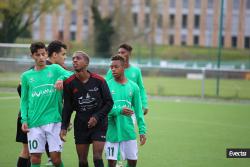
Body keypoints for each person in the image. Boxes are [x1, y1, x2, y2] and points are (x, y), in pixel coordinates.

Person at [16, 40, 69, 167]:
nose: (41, 57)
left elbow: (72, 75)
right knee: (34, 158)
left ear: (47, 54)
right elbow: (23, 100)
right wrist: (24, 120)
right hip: (34, 122)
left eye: (43, 54)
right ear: (32, 56)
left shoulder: (55, 69)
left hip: (54, 121)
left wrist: (61, 78)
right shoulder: (26, 76)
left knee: (55, 159)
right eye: (37, 55)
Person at [60, 51, 114, 167]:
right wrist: (64, 126)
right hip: (81, 124)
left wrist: (96, 116)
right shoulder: (69, 83)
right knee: (82, 161)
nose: (74, 60)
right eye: (73, 58)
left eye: (78, 58)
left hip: (99, 124)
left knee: (97, 157)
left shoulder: (99, 81)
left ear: (86, 63)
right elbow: (68, 107)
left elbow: (109, 102)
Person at [105, 55, 147, 167]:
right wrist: (119, 110)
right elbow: (103, 109)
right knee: (112, 163)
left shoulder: (134, 87)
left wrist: (142, 130)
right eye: (111, 67)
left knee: (132, 162)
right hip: (111, 131)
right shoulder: (106, 86)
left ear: (123, 67)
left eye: (116, 67)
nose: (112, 69)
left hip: (128, 130)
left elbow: (138, 111)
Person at [106, 43, 149, 115]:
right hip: (116, 108)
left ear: (129, 53)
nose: (120, 54)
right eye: (119, 52)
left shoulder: (136, 71)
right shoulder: (112, 71)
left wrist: (144, 104)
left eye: (123, 52)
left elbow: (141, 88)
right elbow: (105, 87)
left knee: (129, 126)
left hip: (131, 109)